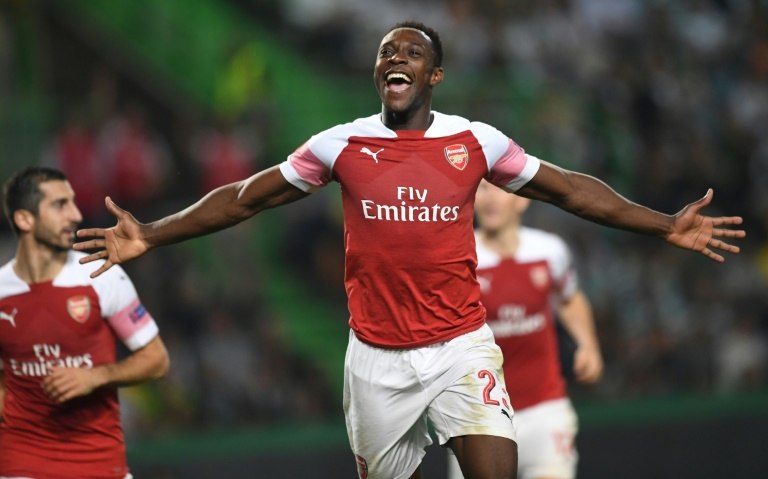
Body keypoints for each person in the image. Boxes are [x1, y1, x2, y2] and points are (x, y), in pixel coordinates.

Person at [73, 21, 744, 479]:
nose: (394, 58)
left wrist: (662, 224)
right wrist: (154, 233)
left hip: (460, 346)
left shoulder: (475, 142)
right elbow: (247, 196)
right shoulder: (341, 144)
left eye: (410, 52)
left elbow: (567, 190)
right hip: (375, 360)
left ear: (436, 74)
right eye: (386, 52)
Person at [0, 167, 170, 479]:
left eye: (74, 203)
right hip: (21, 464)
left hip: (100, 464)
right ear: (25, 219)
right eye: (60, 205)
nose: (76, 215)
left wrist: (96, 377)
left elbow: (156, 360)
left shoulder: (101, 275)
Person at [447, 180, 604, 479]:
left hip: (545, 409)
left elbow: (569, 298)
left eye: (499, 189)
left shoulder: (549, 250)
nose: (490, 198)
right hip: (480, 417)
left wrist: (588, 344)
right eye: (480, 189)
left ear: (523, 200)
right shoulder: (459, 260)